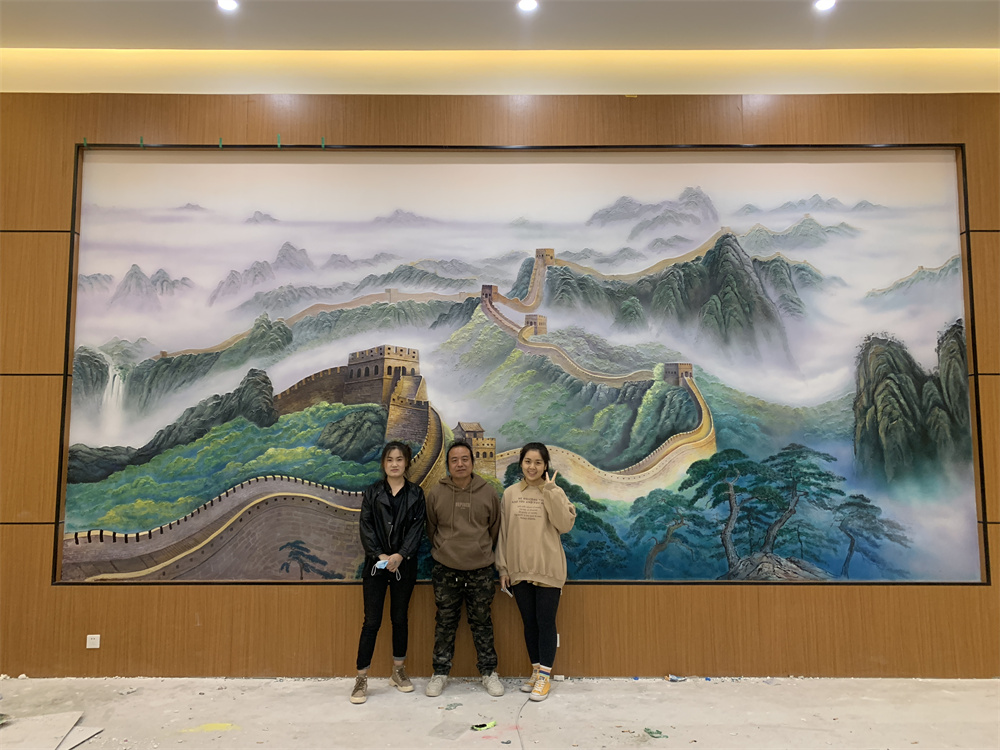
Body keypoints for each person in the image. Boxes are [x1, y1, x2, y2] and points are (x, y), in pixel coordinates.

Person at [497, 442, 576, 702]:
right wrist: (503, 567)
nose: (532, 467)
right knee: (529, 622)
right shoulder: (510, 494)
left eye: (538, 462)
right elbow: (503, 533)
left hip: (548, 568)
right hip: (519, 569)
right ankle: (535, 671)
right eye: (528, 461)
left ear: (545, 466)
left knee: (546, 622)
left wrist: (551, 492)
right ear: (521, 463)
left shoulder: (554, 491)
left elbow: (564, 525)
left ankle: (545, 677)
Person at [424, 440, 505, 697]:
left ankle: (489, 672)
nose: (460, 464)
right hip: (445, 568)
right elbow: (431, 528)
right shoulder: (436, 493)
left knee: (482, 621)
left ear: (472, 462)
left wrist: (479, 550)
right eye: (454, 460)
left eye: (464, 459)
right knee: (445, 622)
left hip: (480, 570)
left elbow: (494, 529)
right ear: (448, 465)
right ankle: (440, 673)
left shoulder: (487, 492)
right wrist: (446, 549)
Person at [350, 441, 426, 704]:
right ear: (383, 464)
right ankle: (361, 678)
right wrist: (381, 555)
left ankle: (398, 671)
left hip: (404, 566)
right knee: (371, 621)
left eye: (399, 459)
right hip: (376, 566)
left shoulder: (416, 494)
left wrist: (400, 555)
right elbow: (366, 526)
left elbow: (417, 529)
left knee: (399, 618)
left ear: (406, 463)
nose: (395, 464)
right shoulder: (372, 492)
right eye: (390, 459)